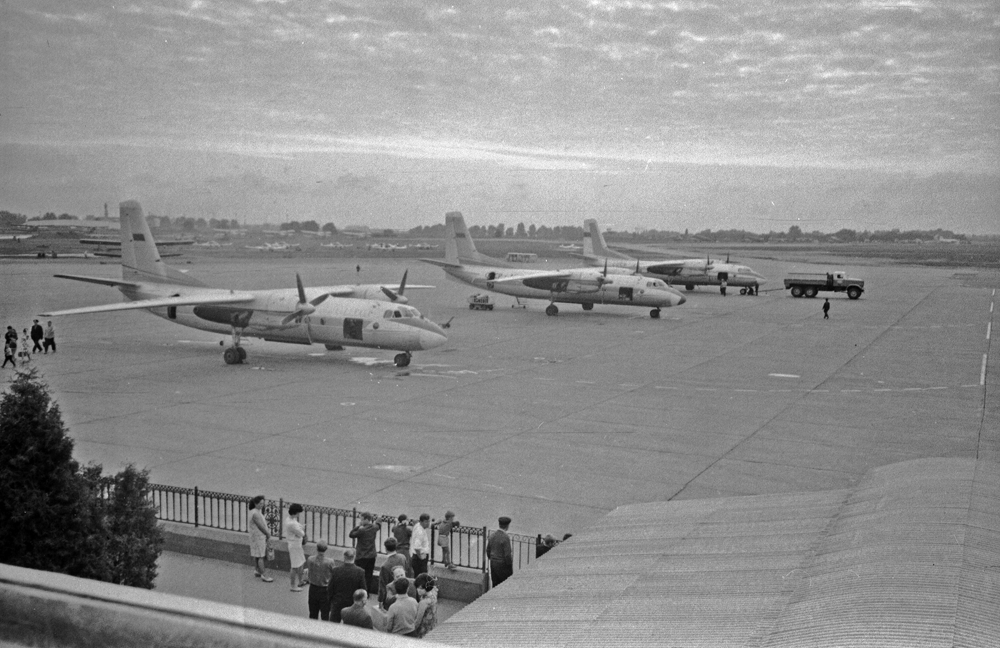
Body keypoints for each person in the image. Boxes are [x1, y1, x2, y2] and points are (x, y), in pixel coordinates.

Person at [328, 548, 367, 623]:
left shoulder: (336, 570)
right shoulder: (360, 572)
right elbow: (363, 589)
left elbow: (330, 588)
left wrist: (331, 601)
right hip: (352, 604)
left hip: (337, 603)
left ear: (344, 557)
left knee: (333, 626)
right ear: (354, 557)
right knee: (350, 626)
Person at [349, 512, 379, 594]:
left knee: (358, 574)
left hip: (361, 556)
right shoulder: (374, 527)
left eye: (362, 520)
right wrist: (378, 518)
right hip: (371, 555)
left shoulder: (361, 530)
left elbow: (351, 534)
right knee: (369, 575)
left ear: (366, 519)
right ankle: (366, 592)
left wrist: (358, 526)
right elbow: (378, 525)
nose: (361, 521)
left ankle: (358, 591)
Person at [377, 537, 413, 606]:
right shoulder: (402, 557)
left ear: (386, 549)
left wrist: (380, 600)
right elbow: (408, 572)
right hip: (405, 590)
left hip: (393, 593)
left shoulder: (385, 566)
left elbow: (382, 586)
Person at [305, 542, 336, 620]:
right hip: (325, 589)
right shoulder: (330, 561)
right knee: (325, 614)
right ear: (326, 549)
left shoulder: (310, 559)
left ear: (317, 548)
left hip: (313, 588)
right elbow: (334, 573)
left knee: (313, 613)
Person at [248, 495, 274, 582]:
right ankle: (264, 574)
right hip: (259, 537)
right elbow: (260, 526)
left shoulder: (253, 511)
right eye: (260, 503)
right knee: (261, 556)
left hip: (255, 536)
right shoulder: (255, 513)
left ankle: (257, 570)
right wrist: (268, 534)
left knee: (257, 554)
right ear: (255, 503)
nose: (262, 505)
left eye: (263, 503)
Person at [284, 503, 307, 591]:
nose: (298, 514)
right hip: (294, 545)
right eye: (298, 513)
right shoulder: (292, 523)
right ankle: (293, 586)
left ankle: (300, 581)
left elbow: (297, 527)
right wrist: (302, 529)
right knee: (295, 566)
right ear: (295, 512)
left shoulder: (290, 519)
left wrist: (300, 527)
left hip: (296, 544)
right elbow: (301, 533)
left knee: (300, 563)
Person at [487, 516, 514, 587]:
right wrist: (509, 566)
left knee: (495, 584)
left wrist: (492, 558)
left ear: (499, 524)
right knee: (504, 585)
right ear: (507, 526)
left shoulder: (492, 535)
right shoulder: (505, 537)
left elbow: (488, 550)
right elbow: (507, 555)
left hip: (493, 563)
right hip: (503, 565)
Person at [413, 574, 439, 638]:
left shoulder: (423, 603)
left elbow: (418, 621)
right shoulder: (433, 594)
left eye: (421, 588)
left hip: (423, 629)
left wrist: (412, 631)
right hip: (431, 625)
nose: (418, 590)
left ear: (427, 587)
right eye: (417, 587)